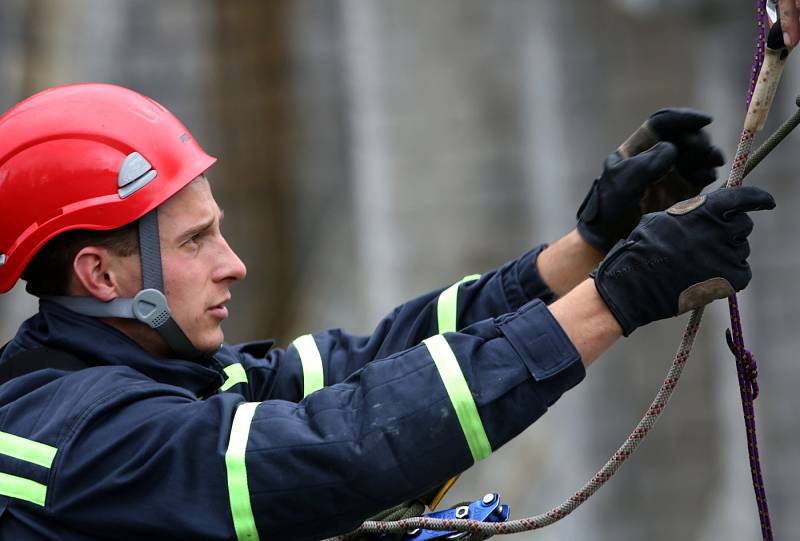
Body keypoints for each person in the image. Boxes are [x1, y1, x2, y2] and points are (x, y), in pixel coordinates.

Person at [0, 83, 774, 541]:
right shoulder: (81, 437)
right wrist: (614, 303)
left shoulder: (132, 365)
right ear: (99, 273)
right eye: (196, 239)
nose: (231, 260)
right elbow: (338, 447)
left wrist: (585, 248)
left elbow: (358, 370)